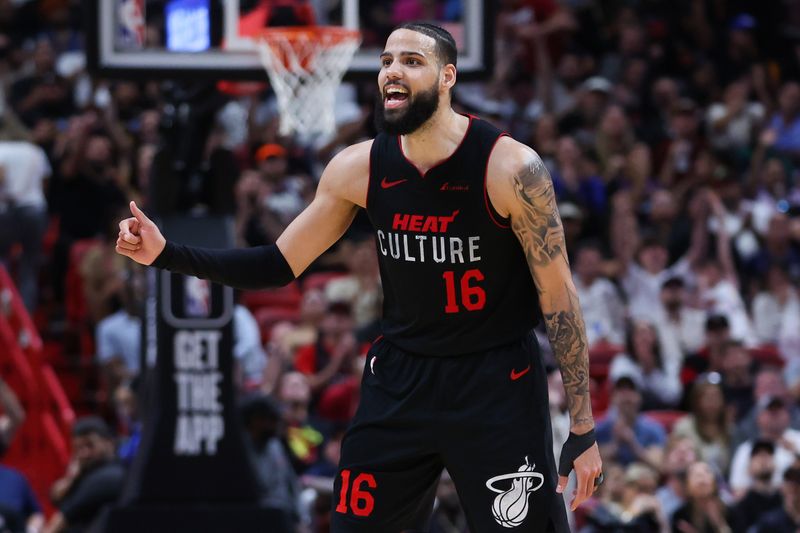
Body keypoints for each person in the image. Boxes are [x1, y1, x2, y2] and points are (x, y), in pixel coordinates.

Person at [115, 22, 602, 531]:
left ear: (447, 77)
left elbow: (559, 298)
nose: (393, 70)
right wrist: (168, 253)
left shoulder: (511, 168)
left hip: (495, 382)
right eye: (387, 60)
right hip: (400, 379)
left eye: (412, 61)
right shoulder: (358, 168)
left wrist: (583, 426)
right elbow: (276, 264)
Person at [45, 417, 125, 533]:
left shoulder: (108, 476)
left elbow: (63, 518)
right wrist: (71, 477)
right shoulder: (84, 474)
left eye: (90, 445)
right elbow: (56, 497)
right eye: (78, 448)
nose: (84, 453)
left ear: (109, 443)